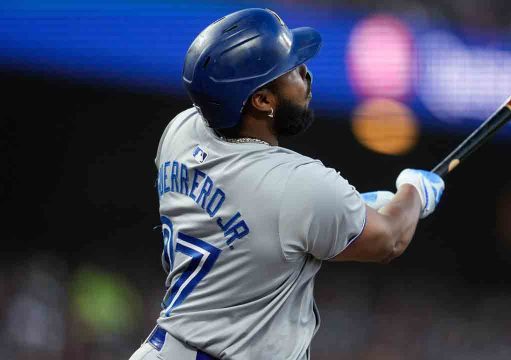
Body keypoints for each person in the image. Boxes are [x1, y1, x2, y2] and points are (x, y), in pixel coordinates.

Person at [129, 8, 444, 360]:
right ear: (262, 100)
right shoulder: (300, 185)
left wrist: (350, 210)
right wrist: (414, 192)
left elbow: (258, 222)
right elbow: (390, 239)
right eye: (292, 69)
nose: (306, 74)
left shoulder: (181, 132)